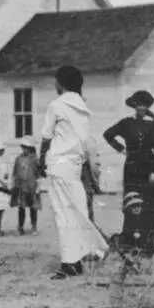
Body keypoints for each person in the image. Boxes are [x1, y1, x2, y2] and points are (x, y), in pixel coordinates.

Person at [38, 66, 109, 280]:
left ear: (61, 84)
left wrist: (41, 160)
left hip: (58, 164)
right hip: (75, 166)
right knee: (77, 212)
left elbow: (46, 136)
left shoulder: (56, 105)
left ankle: (83, 256)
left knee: (65, 215)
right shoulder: (83, 108)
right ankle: (76, 260)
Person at [103, 90, 154, 244]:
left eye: (145, 105)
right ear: (134, 106)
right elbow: (108, 134)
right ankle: (128, 235)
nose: (141, 108)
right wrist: (120, 148)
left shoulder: (153, 125)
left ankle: (146, 237)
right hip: (131, 168)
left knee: (147, 202)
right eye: (139, 105)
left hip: (147, 169)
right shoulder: (126, 123)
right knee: (131, 201)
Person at [10, 136, 41, 234]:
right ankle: (20, 227)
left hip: (32, 186)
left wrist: (39, 185)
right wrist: (14, 183)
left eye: (26, 147)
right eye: (23, 147)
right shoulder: (18, 158)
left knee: (33, 207)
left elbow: (39, 172)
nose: (24, 149)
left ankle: (34, 227)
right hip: (21, 186)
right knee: (21, 207)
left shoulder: (34, 158)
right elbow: (15, 172)